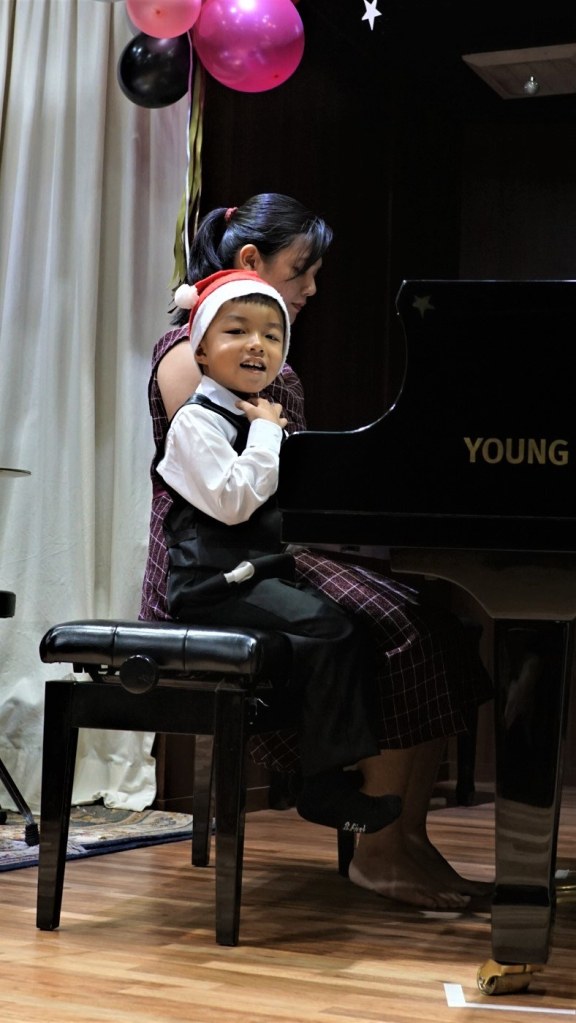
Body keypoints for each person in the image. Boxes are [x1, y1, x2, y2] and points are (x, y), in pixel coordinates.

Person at [140, 193, 493, 910]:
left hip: (273, 547)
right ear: (251, 260)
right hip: (217, 565)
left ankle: (409, 836)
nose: (311, 288)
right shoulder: (189, 352)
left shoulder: (258, 348)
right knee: (398, 626)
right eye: (302, 270)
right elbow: (221, 493)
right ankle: (377, 849)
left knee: (435, 615)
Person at [156, 268, 402, 835]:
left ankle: (327, 772)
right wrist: (268, 432)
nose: (256, 345)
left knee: (357, 623)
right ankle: (322, 786)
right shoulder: (197, 421)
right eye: (236, 331)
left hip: (253, 576)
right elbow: (234, 503)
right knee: (331, 629)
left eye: (271, 335)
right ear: (200, 350)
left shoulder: (259, 417)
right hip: (208, 586)